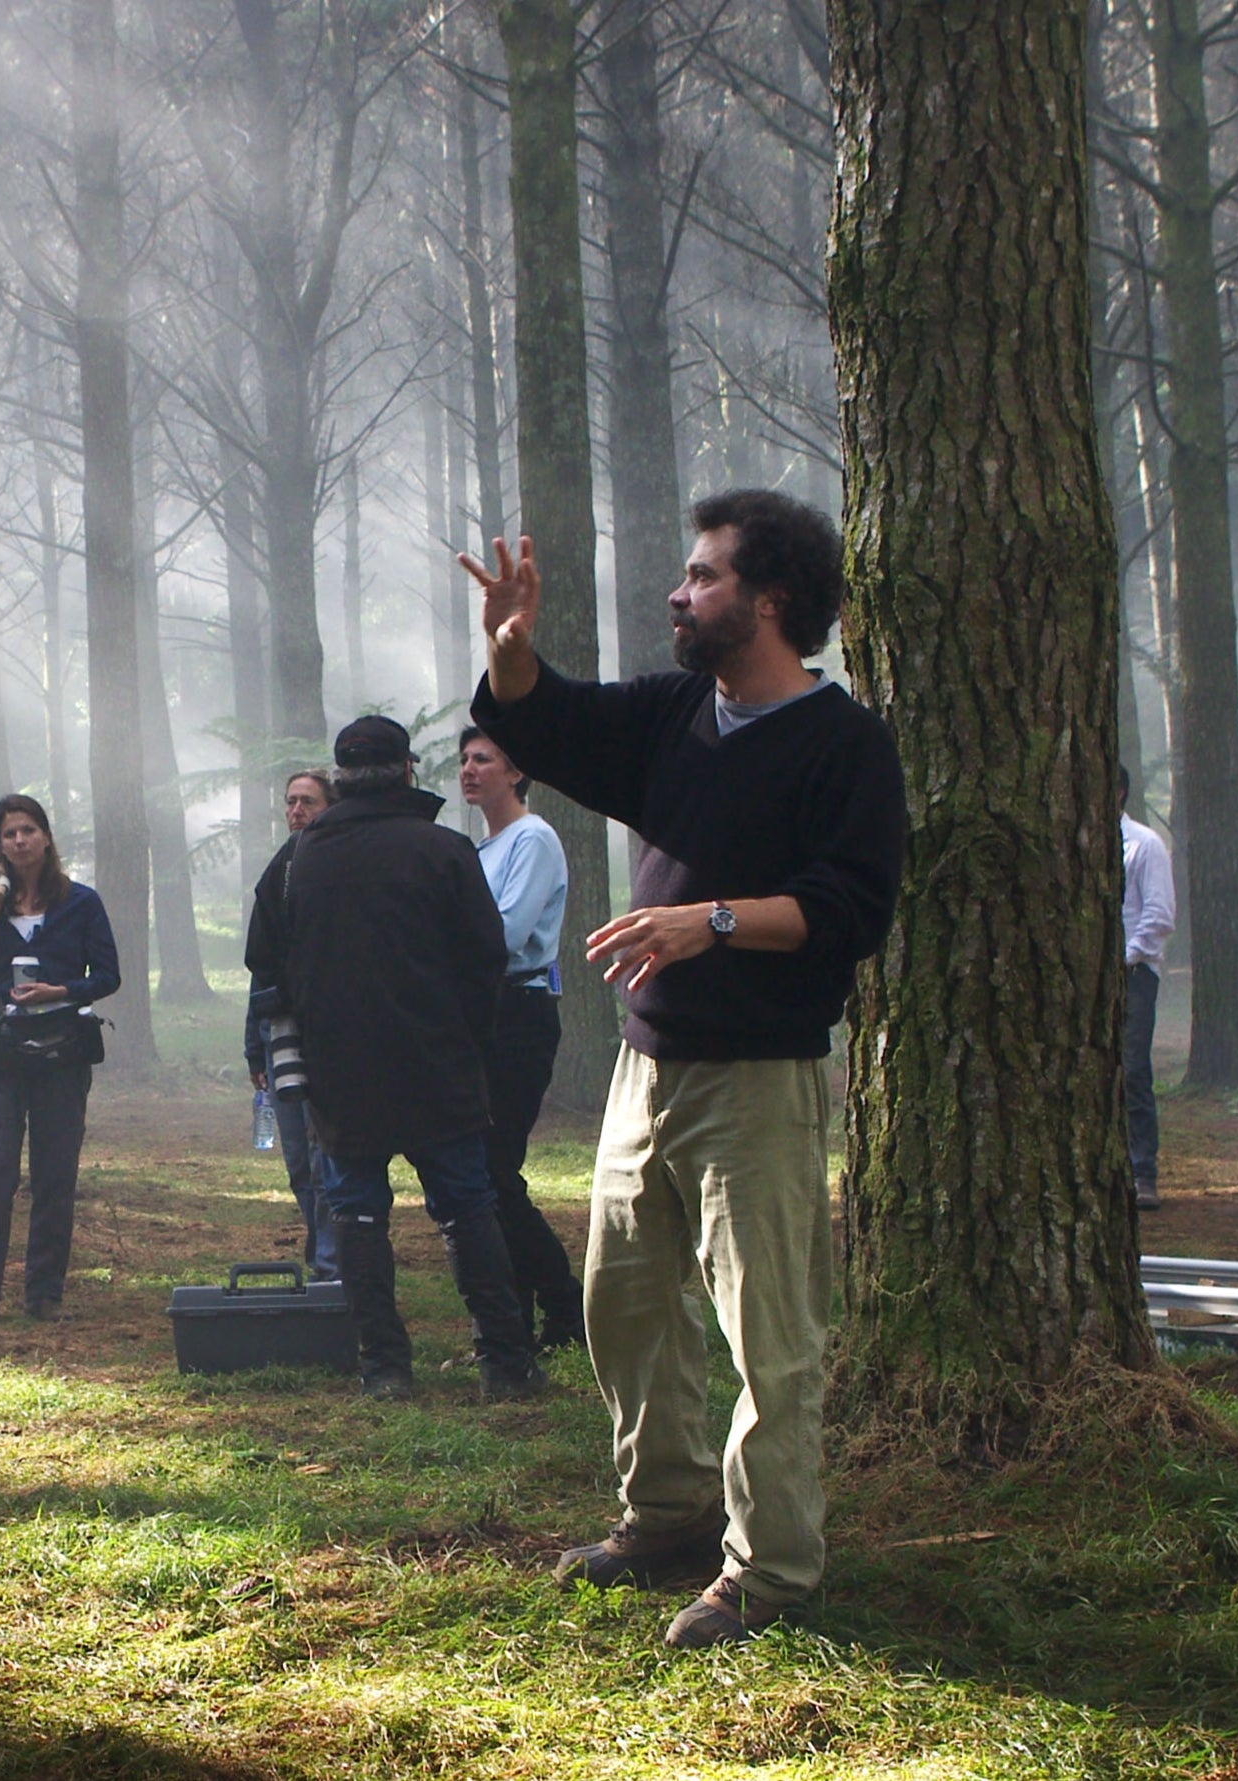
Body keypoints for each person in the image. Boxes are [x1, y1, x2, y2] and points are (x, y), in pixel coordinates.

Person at [463, 488, 904, 1650]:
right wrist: (511, 653)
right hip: (644, 1070)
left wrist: (706, 920)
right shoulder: (675, 712)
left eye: (703, 575)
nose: (679, 591)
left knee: (770, 1334)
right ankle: (665, 1516)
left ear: (768, 601)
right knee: (626, 1309)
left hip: (758, 1078)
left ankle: (771, 1571)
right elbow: (550, 723)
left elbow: (850, 904)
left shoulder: (844, 741)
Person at [257, 715, 542, 1402]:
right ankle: (504, 1363)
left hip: (339, 1072)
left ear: (339, 776)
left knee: (355, 1213)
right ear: (408, 770)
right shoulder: (443, 850)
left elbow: (264, 963)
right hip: (437, 1063)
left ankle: (383, 1366)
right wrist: (465, 1039)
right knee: (466, 1208)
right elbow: (485, 958)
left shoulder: (296, 860)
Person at [0, 796, 120, 1329]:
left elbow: (108, 976)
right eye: (9, 833)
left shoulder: (81, 903)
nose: (19, 840)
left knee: (54, 1176)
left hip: (61, 1055)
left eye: (28, 830)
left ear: (46, 837)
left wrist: (62, 989)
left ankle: (44, 1294)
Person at [457, 727, 583, 1349]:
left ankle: (565, 1307)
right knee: (488, 1168)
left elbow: (504, 937)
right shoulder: (482, 849)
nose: (469, 769)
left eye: (484, 759)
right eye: (464, 760)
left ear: (515, 772)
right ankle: (534, 1313)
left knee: (494, 1168)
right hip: (485, 1014)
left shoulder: (532, 839)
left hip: (520, 1013)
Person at [244, 769, 339, 1280]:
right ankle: (322, 1246)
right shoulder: (277, 871)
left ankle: (331, 1262)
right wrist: (252, 1050)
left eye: (308, 801)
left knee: (327, 1154)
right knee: (299, 1159)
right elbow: (261, 968)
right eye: (290, 802)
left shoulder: (341, 869)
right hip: (278, 1032)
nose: (297, 810)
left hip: (327, 1031)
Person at [1119, 767, 1175, 1211]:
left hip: (1135, 977)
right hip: (1094, 977)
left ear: (1118, 791)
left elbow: (1158, 916)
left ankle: (1143, 1173)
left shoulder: (1144, 845)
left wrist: (1124, 961)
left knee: (1133, 1069)